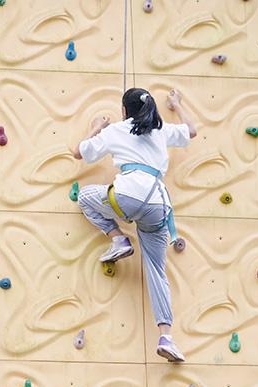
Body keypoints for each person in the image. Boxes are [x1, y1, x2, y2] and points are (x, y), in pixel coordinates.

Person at [72, 87, 197, 363]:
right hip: (157, 204)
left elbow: (77, 152)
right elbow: (191, 131)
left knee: (85, 197)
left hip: (126, 197)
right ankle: (166, 336)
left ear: (125, 111)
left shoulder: (116, 130)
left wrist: (96, 127)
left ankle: (118, 238)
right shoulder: (160, 129)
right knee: (156, 269)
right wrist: (177, 104)